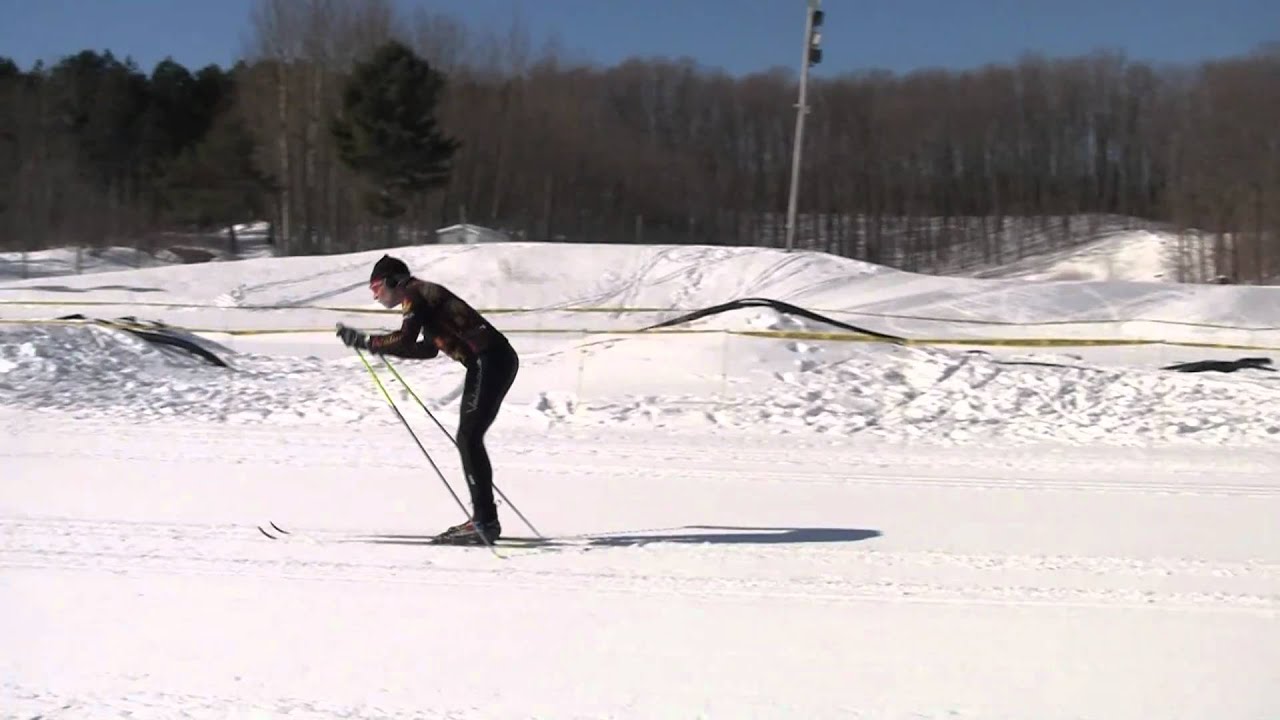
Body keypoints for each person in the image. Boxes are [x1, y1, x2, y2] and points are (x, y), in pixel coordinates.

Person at [336, 254, 519, 545]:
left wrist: (368, 342)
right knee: (469, 438)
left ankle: (485, 521)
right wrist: (374, 346)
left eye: (376, 288)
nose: (375, 296)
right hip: (489, 361)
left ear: (394, 281)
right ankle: (483, 518)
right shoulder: (421, 295)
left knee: (469, 438)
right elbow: (426, 349)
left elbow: (406, 339)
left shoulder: (414, 293)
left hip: (490, 360)